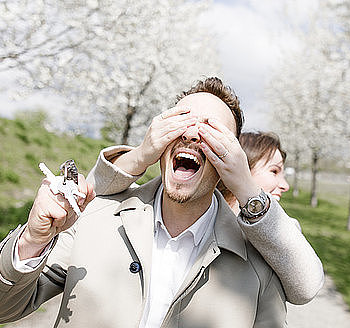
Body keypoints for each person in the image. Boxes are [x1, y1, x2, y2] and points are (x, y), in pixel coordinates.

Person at [0, 77, 289, 327]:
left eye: (211, 130)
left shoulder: (258, 262)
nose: (192, 136)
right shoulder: (95, 217)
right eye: (180, 121)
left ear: (229, 161)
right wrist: (34, 238)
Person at [91, 130, 323, 307]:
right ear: (238, 166)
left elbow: (306, 287)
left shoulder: (275, 234)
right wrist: (140, 155)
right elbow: (87, 199)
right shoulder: (163, 213)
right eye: (274, 171)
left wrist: (250, 195)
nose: (285, 184)